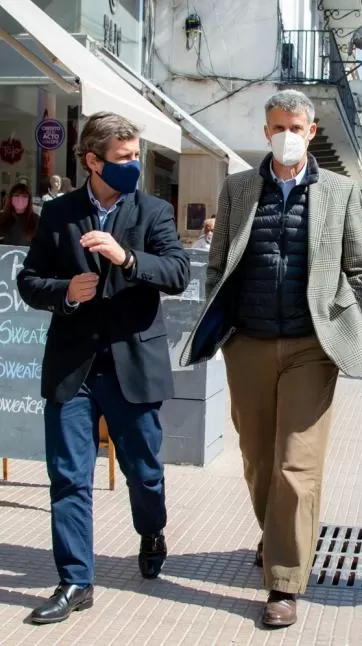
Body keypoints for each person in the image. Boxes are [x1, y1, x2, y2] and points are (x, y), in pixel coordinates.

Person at [180, 89, 362, 628]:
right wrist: (228, 330)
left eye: (295, 126)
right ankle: (278, 533)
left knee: (296, 465)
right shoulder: (239, 187)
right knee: (259, 459)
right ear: (266, 132)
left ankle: (284, 581)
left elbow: (357, 266)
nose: (286, 134)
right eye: (276, 126)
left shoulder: (339, 190)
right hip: (250, 345)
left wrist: (342, 317)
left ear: (311, 131)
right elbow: (217, 265)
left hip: (313, 348)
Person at [17, 111, 190, 624]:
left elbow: (177, 272)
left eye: (136, 156)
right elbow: (29, 281)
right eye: (123, 159)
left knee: (144, 472)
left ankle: (151, 528)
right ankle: (75, 580)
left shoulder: (154, 211)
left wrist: (128, 258)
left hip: (132, 363)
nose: (133, 165)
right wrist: (64, 293)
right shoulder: (59, 213)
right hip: (73, 366)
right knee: (68, 476)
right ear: (93, 161)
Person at [0, 181, 39, 245]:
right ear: (10, 198)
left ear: (29, 200)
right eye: (16, 195)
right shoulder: (1, 217)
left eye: (24, 196)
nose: (20, 199)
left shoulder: (37, 220)